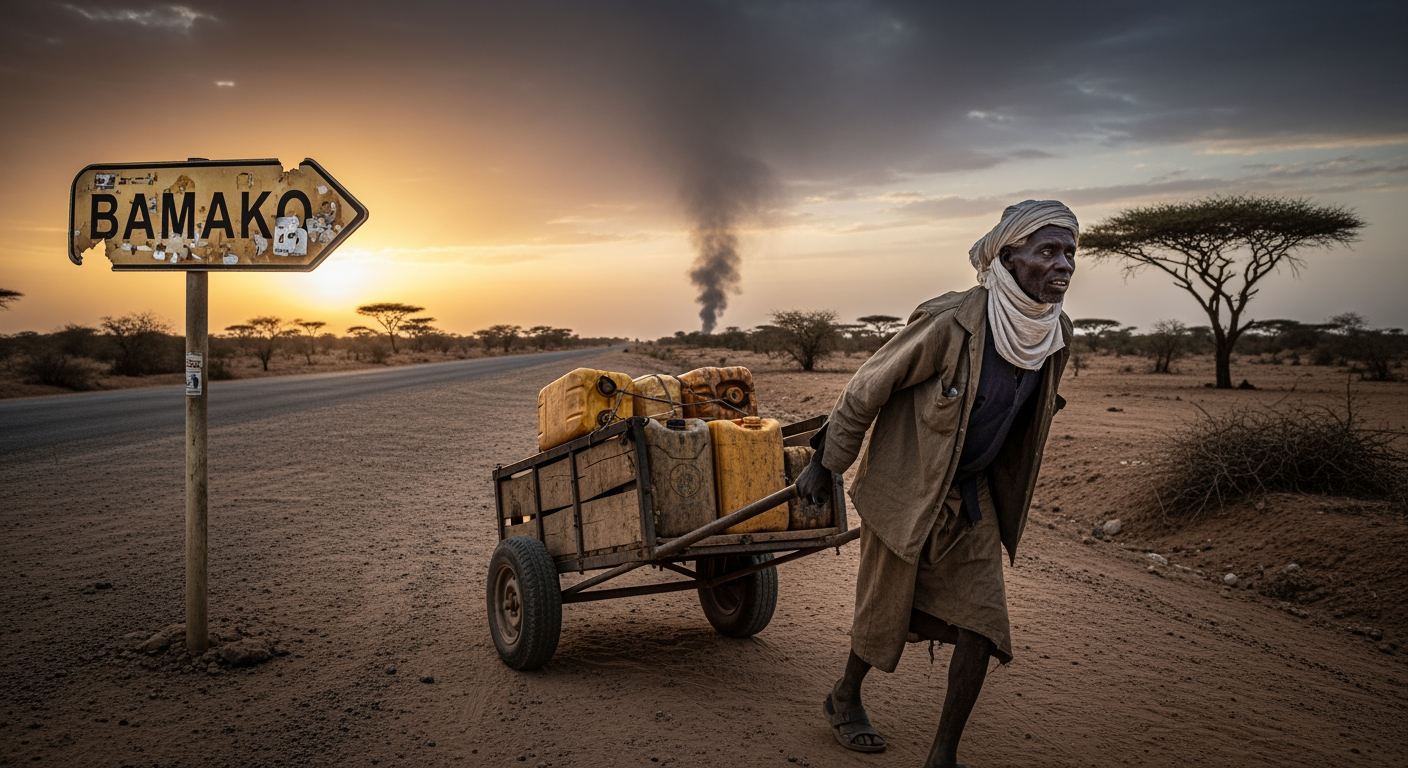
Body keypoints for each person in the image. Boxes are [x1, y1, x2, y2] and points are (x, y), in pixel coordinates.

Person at [798, 200, 1078, 768]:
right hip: (905, 488)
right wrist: (825, 465)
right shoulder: (950, 322)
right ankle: (846, 695)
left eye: (1071, 252)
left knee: (983, 622)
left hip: (973, 497)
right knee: (885, 610)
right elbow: (866, 388)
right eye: (1047, 250)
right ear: (1008, 257)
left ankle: (942, 756)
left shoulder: (1055, 335)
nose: (1064, 264)